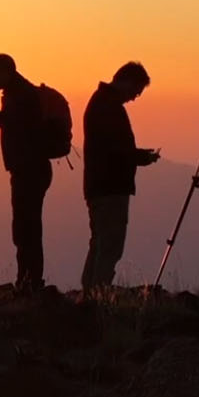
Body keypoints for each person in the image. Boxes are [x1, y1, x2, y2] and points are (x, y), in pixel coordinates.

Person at [79, 62, 161, 292]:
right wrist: (141, 157)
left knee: (100, 242)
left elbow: (113, 146)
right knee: (110, 245)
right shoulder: (108, 107)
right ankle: (98, 295)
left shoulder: (102, 103)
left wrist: (138, 155)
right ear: (126, 82)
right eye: (136, 91)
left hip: (100, 185)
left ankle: (90, 294)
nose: (135, 98)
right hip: (110, 187)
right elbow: (115, 149)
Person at [0, 54, 54, 291]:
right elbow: (18, 126)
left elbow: (20, 129)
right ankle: (28, 281)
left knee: (25, 229)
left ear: (6, 72)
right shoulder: (20, 94)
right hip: (31, 169)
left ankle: (29, 283)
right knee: (27, 227)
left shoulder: (20, 96)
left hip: (28, 171)